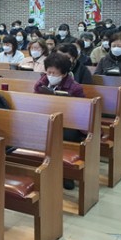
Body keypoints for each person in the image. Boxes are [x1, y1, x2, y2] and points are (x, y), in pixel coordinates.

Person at [34, 52, 85, 190]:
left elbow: (81, 111)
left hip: (68, 123)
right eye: (48, 72)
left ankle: (65, 173)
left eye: (54, 73)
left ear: (63, 73)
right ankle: (41, 168)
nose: (50, 75)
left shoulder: (75, 88)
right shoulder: (42, 82)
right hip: (47, 118)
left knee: (63, 134)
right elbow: (35, 100)